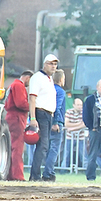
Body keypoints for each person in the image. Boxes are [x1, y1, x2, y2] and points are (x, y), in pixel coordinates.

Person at [28, 54, 59, 182]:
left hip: (48, 114)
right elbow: (32, 98)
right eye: (51, 64)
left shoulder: (49, 79)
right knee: (43, 145)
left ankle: (36, 174)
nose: (53, 67)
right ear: (44, 64)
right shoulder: (37, 78)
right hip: (41, 113)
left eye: (55, 64)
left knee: (44, 145)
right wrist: (33, 118)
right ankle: (35, 175)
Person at [4, 70, 34, 181]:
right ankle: (17, 175)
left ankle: (10, 174)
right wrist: (32, 106)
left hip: (11, 117)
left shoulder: (13, 85)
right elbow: (21, 103)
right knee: (17, 147)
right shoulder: (19, 86)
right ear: (27, 77)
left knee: (11, 146)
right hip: (17, 118)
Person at [42, 69, 66, 181]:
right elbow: (58, 107)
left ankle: (47, 171)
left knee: (46, 148)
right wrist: (56, 122)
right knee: (54, 149)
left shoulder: (49, 89)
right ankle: (48, 172)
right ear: (61, 79)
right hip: (56, 122)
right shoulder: (60, 91)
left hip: (46, 121)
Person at [62, 98, 87, 171]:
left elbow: (84, 124)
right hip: (70, 137)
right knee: (66, 155)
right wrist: (79, 125)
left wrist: (72, 128)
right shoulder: (69, 112)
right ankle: (63, 171)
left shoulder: (84, 112)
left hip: (81, 137)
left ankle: (86, 171)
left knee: (83, 155)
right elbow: (66, 124)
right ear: (74, 105)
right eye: (78, 105)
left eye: (81, 105)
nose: (80, 106)